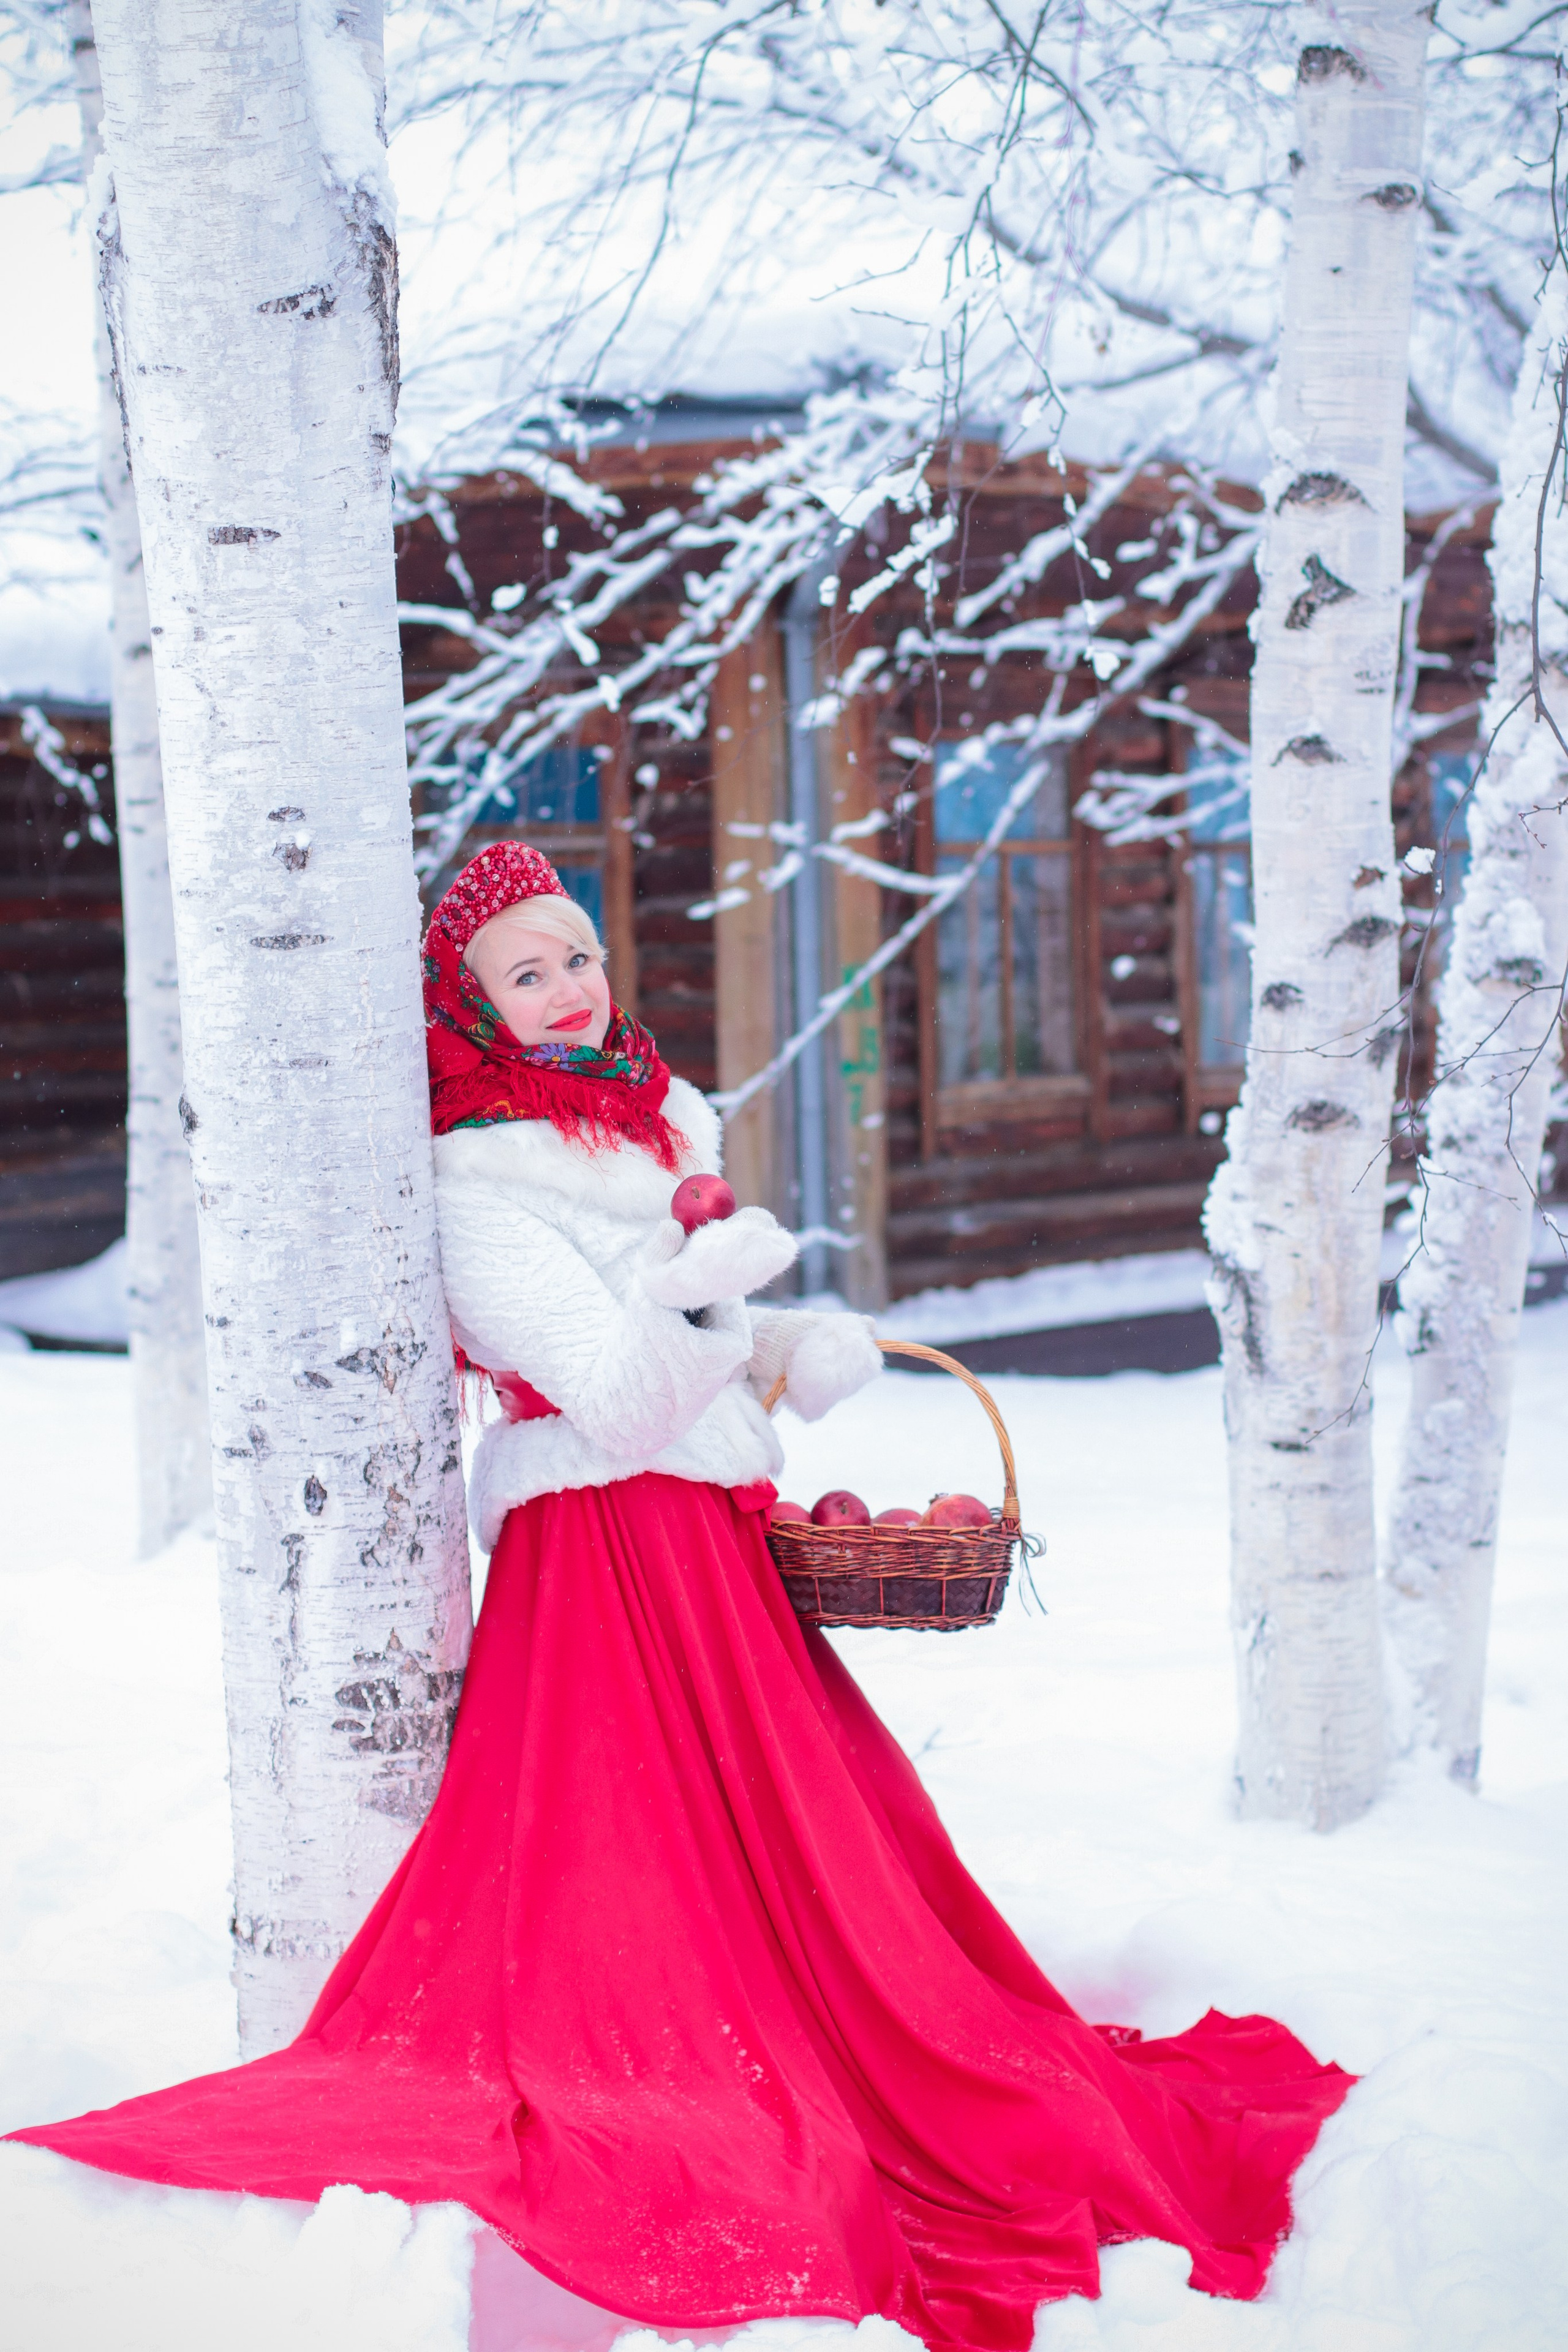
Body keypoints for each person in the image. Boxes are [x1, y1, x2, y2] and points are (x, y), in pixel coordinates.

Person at [11, 842, 1352, 2352]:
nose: (568, 990)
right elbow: (615, 1391)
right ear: (472, 1008)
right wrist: (711, 1291)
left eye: (577, 955)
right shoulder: (474, 1187)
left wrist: (785, 1341)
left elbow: (693, 1340)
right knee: (647, 1863)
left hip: (710, 1534)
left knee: (804, 1843)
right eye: (526, 974)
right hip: (604, 1553)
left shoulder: (645, 1128)